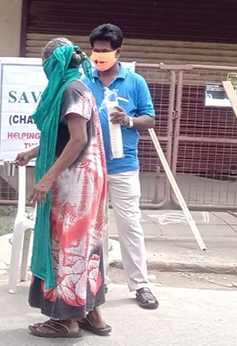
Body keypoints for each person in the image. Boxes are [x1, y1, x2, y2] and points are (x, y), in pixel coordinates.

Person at [15, 38, 110, 338]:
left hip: (74, 182)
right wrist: (33, 152)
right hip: (86, 178)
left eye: (45, 65)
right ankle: (92, 315)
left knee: (67, 244)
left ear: (53, 64)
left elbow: (78, 140)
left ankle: (66, 320)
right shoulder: (78, 86)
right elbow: (66, 136)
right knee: (85, 244)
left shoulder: (71, 89)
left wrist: (46, 179)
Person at [83, 23, 159, 310]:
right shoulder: (84, 81)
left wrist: (128, 120)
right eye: (95, 51)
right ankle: (97, 282)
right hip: (92, 164)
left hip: (124, 166)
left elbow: (149, 119)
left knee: (130, 225)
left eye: (105, 51)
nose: (99, 56)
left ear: (118, 52)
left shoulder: (135, 82)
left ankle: (140, 285)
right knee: (95, 227)